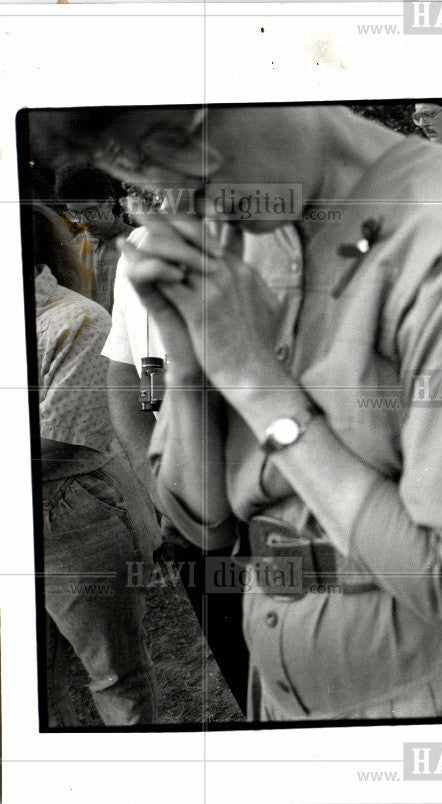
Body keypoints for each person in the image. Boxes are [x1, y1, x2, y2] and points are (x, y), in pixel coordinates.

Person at [35, 103, 442, 720]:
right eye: (130, 167)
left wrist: (253, 379)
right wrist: (191, 358)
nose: (176, 190)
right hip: (284, 699)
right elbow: (202, 526)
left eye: (175, 137)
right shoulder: (230, 223)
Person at [103, 207, 302, 714]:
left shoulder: (279, 234)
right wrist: (157, 491)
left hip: (280, 508)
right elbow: (129, 379)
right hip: (187, 499)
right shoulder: (141, 251)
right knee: (243, 668)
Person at [31, 204, 160, 725]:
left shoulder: (76, 317)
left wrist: (162, 486)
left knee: (113, 672)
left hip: (67, 511)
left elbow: (74, 434)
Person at [55, 163, 133, 313]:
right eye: (75, 215)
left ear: (109, 203)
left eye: (90, 211)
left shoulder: (138, 242)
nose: (83, 221)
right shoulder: (70, 252)